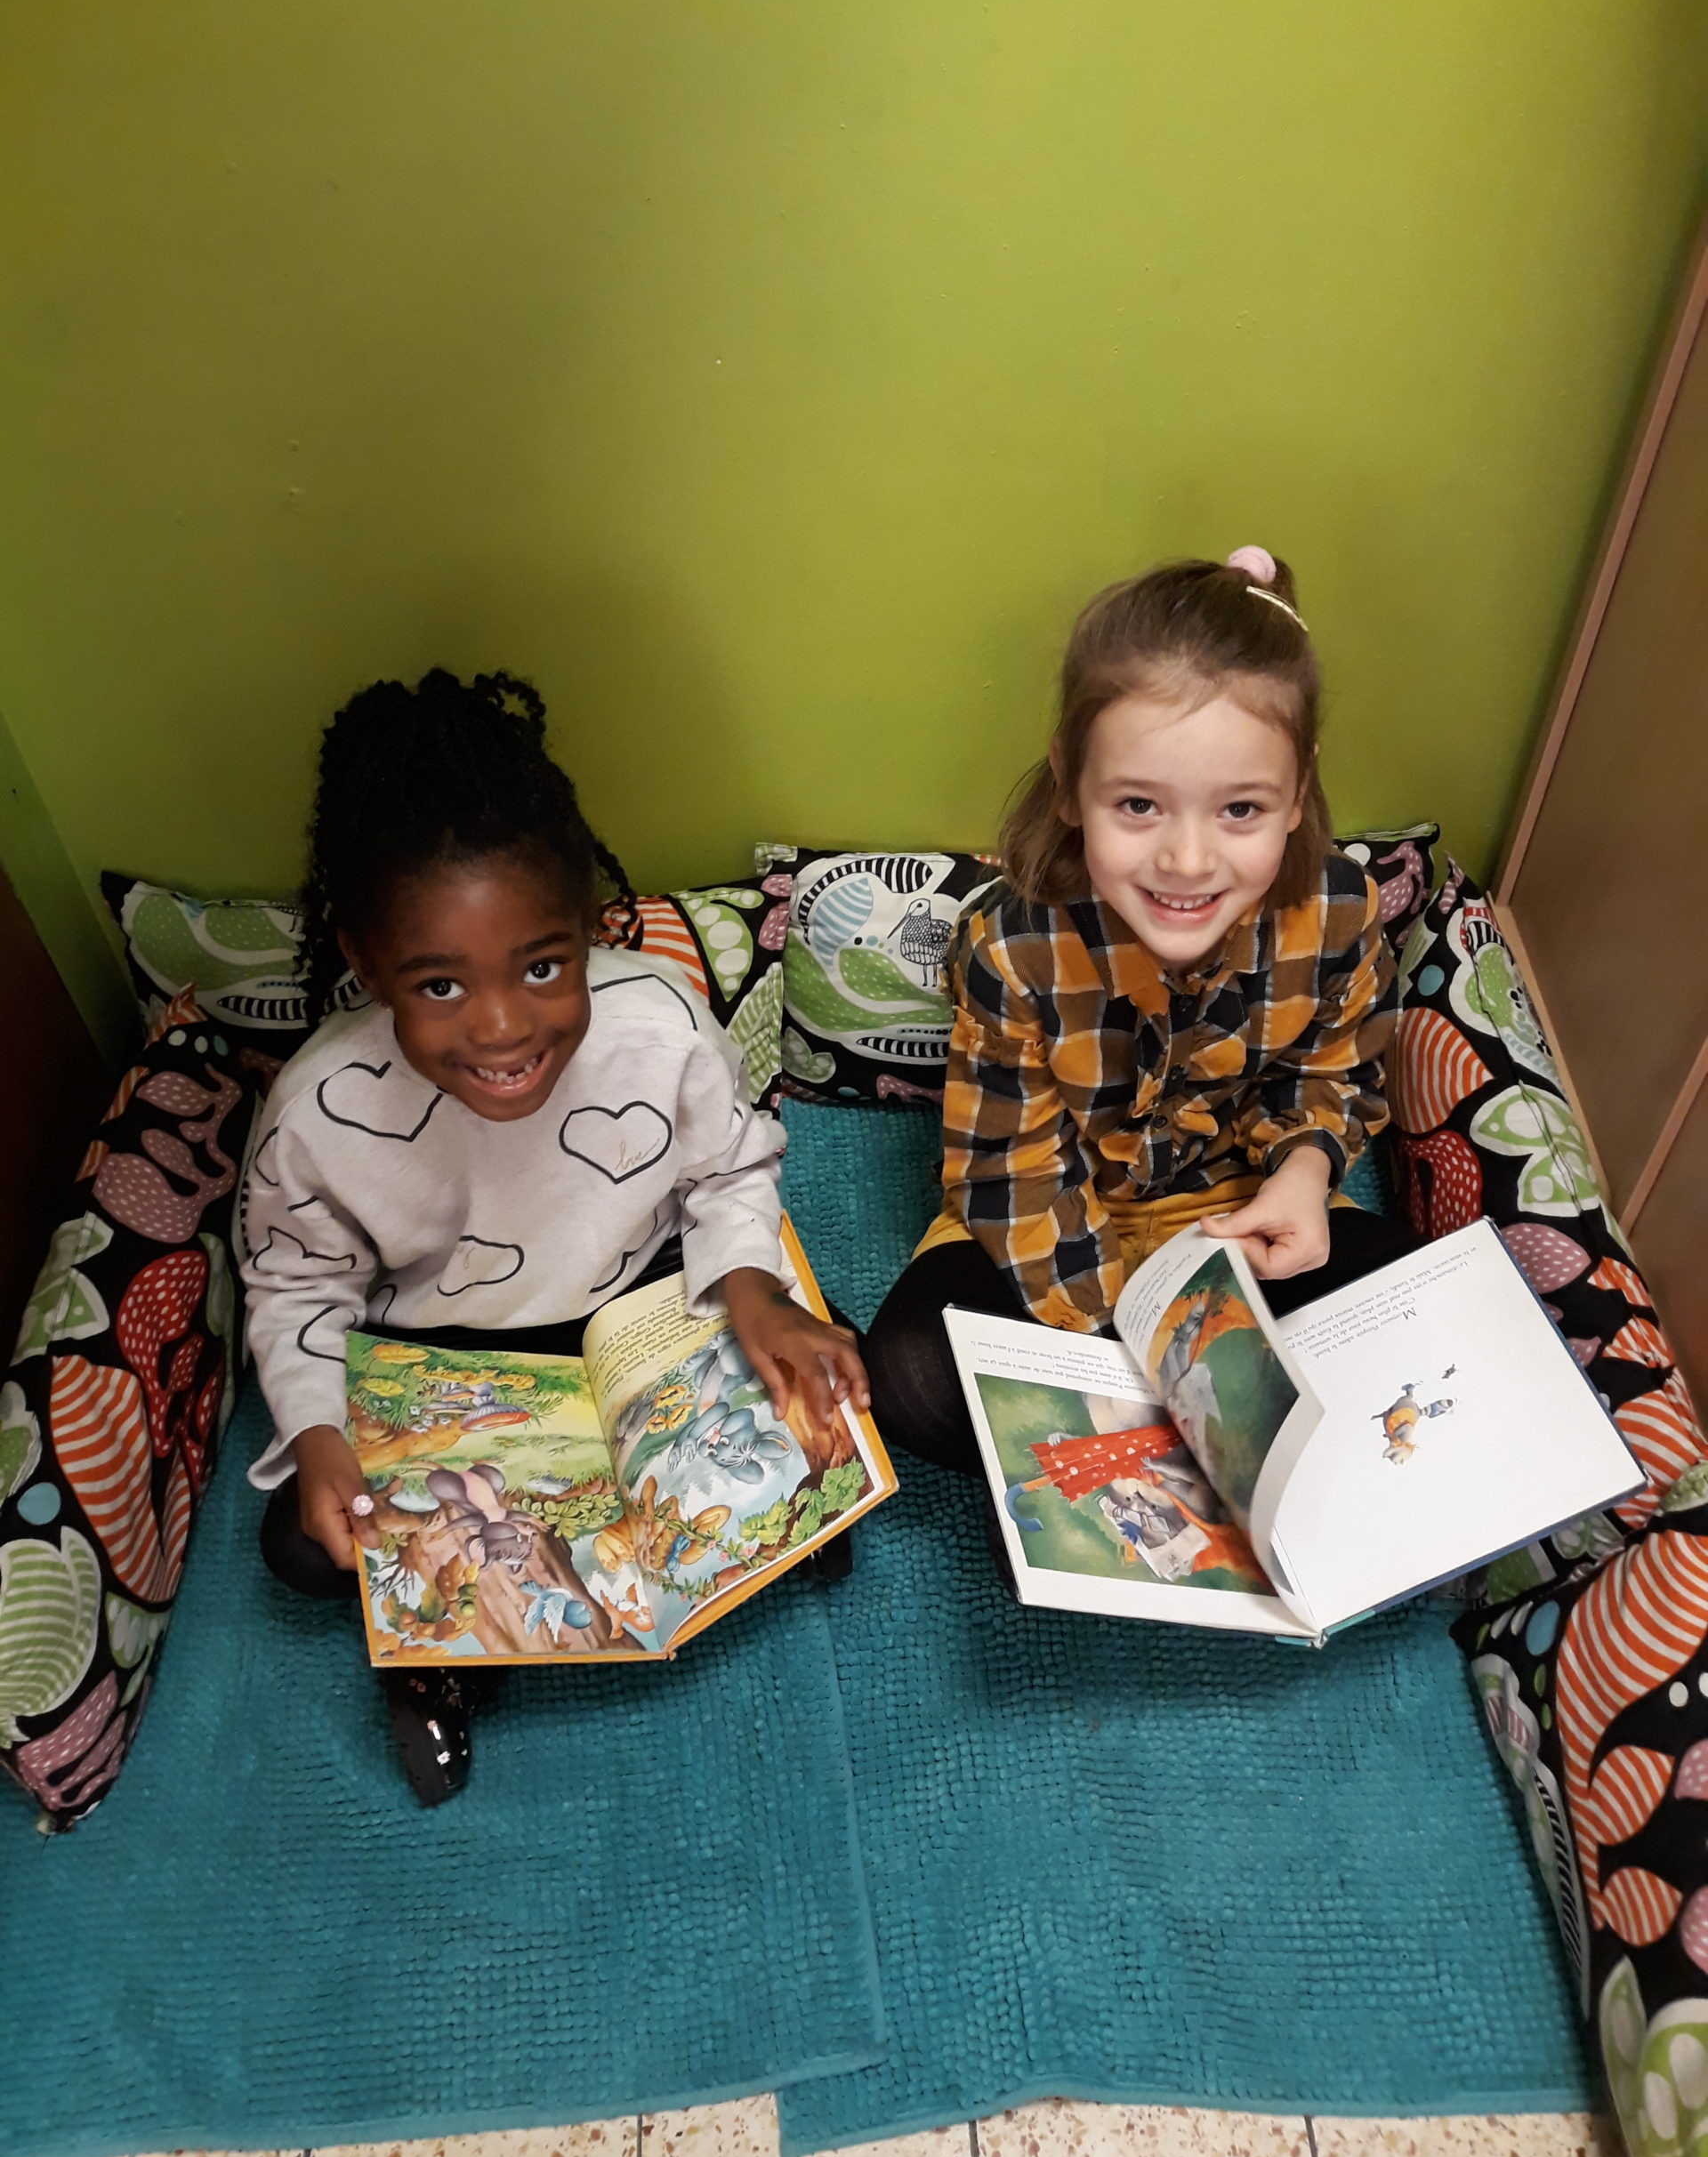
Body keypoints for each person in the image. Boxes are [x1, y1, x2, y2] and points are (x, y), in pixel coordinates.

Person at [242, 667, 866, 1802]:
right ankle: (433, 1660)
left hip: (644, 1304)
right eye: (439, 985)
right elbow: (294, 1289)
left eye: (542, 966)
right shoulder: (317, 1113)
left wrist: (753, 1290)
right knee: (299, 1537)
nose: (500, 1027)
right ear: (365, 959)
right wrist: (321, 1433)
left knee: (827, 1362)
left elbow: (729, 1169)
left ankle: (773, 1510)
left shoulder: (659, 1023)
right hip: (453, 1358)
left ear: (587, 929)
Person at [865, 546, 1412, 1477]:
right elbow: (1011, 1170)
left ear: (1298, 792)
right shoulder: (1012, 946)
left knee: (1409, 1313)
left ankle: (1158, 1433)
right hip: (1053, 1229)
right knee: (911, 1375)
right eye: (1139, 805)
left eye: (1240, 810)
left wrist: (1306, 1172)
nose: (1188, 862)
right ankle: (1157, 1438)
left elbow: (1337, 1074)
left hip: (1236, 1215)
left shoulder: (1340, 910)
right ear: (1070, 780)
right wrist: (1130, 1350)